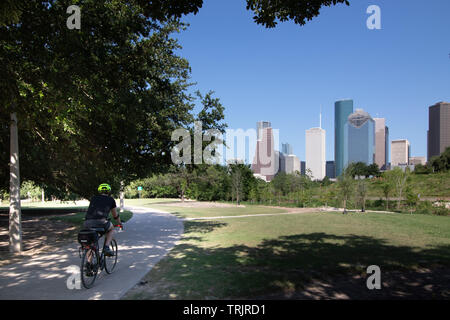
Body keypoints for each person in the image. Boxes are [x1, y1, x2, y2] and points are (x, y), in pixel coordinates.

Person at [84, 183, 122, 256]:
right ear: (109, 191)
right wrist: (119, 223)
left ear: (99, 191)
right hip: (101, 222)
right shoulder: (111, 199)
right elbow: (115, 215)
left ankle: (89, 263)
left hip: (87, 223)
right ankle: (106, 247)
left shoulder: (93, 198)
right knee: (111, 229)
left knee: (91, 244)